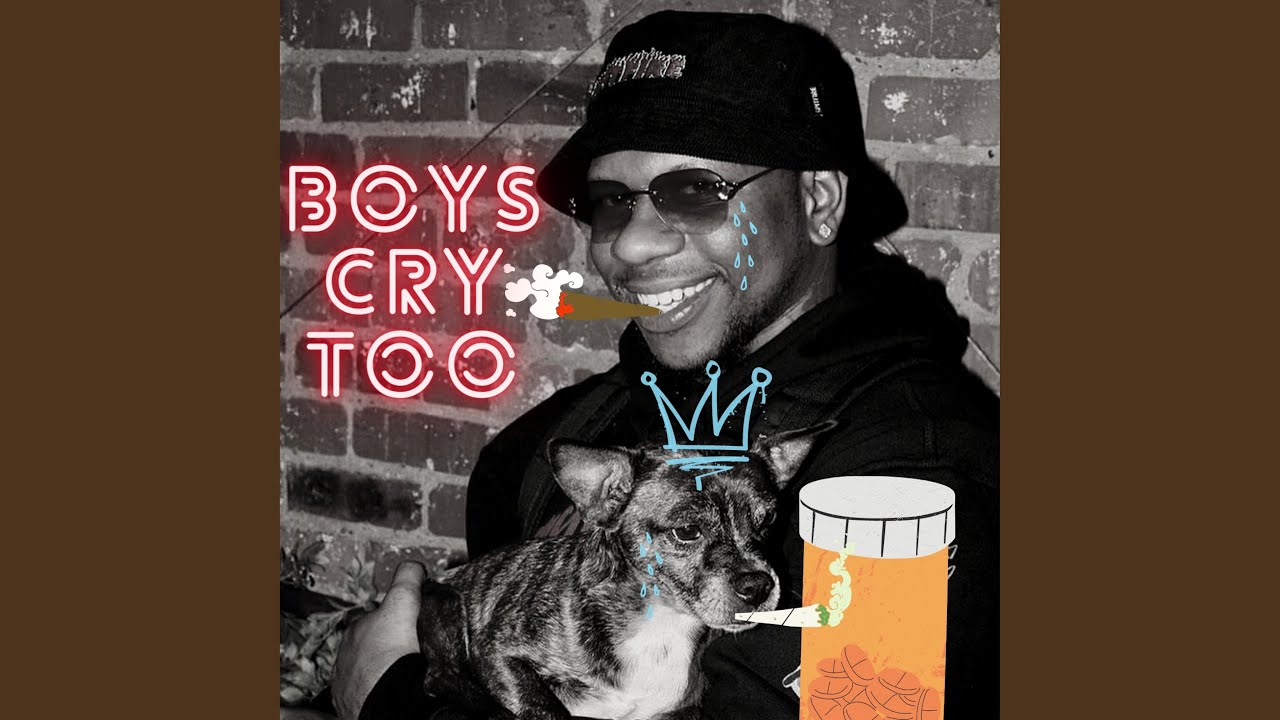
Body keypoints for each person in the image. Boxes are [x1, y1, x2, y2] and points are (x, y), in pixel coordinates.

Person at [333, 10, 998, 720]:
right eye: (612, 201)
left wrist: (387, 696)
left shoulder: (908, 490)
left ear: (817, 201)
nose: (631, 244)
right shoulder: (540, 449)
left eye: (695, 190)